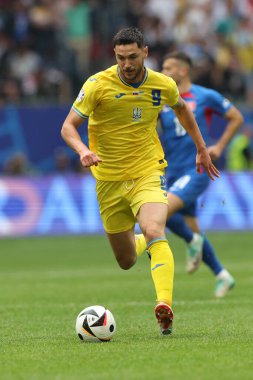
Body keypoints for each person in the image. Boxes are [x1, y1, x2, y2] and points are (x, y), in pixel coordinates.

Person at [61, 28, 219, 335]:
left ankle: (165, 306)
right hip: (108, 180)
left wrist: (202, 148)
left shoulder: (163, 84)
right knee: (126, 260)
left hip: (148, 171)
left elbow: (182, 110)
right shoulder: (97, 85)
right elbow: (68, 126)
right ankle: (145, 242)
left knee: (154, 227)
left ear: (145, 52)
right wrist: (83, 150)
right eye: (121, 58)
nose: (127, 64)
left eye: (132, 56)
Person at [159, 51, 243, 297]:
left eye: (168, 68)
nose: (163, 72)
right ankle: (222, 274)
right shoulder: (164, 99)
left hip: (196, 170)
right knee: (189, 227)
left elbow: (236, 117)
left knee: (157, 213)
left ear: (183, 71)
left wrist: (219, 146)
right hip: (172, 171)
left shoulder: (204, 96)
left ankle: (191, 240)